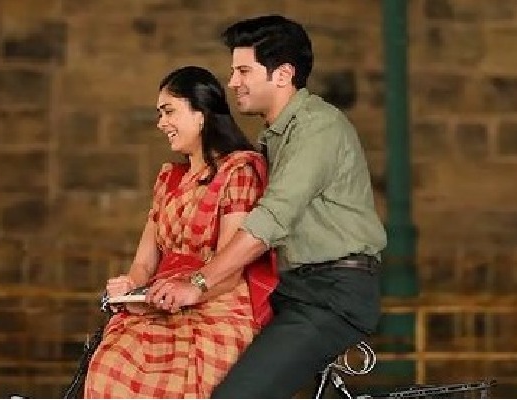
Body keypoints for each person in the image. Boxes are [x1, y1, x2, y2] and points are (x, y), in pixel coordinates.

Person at [147, 15, 387, 398]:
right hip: (289, 288)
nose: (232, 82)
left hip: (330, 294)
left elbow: (270, 221)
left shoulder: (317, 127)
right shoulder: (271, 138)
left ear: (283, 74)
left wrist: (198, 282)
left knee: (236, 396)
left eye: (244, 71)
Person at [83, 66, 275, 398]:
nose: (161, 123)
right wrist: (130, 285)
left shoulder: (237, 172)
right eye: (160, 114)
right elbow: (144, 263)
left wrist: (187, 290)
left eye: (169, 111)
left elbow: (231, 271)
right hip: (160, 300)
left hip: (216, 302)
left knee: (182, 379)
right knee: (109, 367)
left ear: (201, 115)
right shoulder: (168, 180)